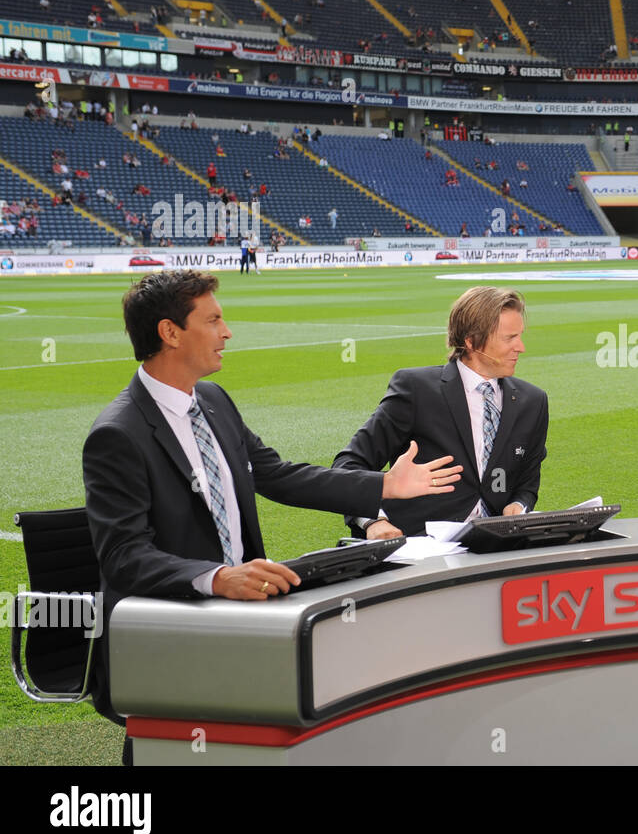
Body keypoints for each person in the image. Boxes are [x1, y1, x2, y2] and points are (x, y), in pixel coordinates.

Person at [82, 271, 460, 755]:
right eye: (214, 319)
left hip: (240, 621)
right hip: (171, 632)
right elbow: (123, 556)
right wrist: (217, 578)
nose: (227, 331)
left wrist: (384, 485)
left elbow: (277, 475)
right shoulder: (118, 434)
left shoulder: (213, 401)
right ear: (170, 333)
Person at [334, 286, 549, 537]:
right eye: (509, 338)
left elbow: (527, 481)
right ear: (471, 341)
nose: (521, 347)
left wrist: (519, 505)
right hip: (418, 547)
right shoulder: (416, 390)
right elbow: (348, 465)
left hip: (496, 547)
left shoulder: (533, 401)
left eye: (520, 336)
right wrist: (374, 522)